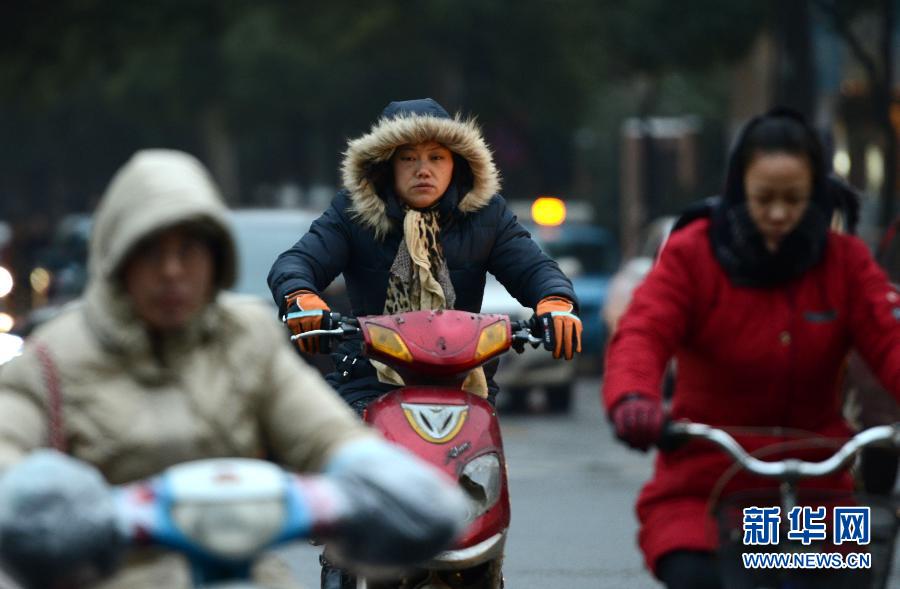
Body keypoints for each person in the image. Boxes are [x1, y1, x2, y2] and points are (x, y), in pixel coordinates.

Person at [0, 149, 468, 589]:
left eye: (190, 251)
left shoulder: (249, 338)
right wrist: (36, 500)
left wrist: (378, 474)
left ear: (217, 258)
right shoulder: (52, 357)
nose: (171, 271)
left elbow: (324, 435)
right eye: (150, 252)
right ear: (116, 260)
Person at [267, 97, 583, 586]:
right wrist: (301, 297)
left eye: (436, 157)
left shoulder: (488, 216)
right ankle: (343, 556)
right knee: (354, 502)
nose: (423, 170)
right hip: (369, 380)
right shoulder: (352, 214)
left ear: (457, 163)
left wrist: (555, 304)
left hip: (464, 383)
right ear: (384, 167)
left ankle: (482, 560)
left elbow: (538, 270)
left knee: (478, 492)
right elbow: (295, 263)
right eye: (408, 158)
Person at [602, 109, 900, 588]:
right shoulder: (692, 254)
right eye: (764, 199)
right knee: (695, 571)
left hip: (820, 489)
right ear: (739, 188)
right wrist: (634, 399)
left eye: (794, 199)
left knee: (847, 575)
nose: (779, 214)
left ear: (816, 195)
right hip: (707, 484)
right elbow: (643, 332)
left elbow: (890, 341)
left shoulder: (845, 263)